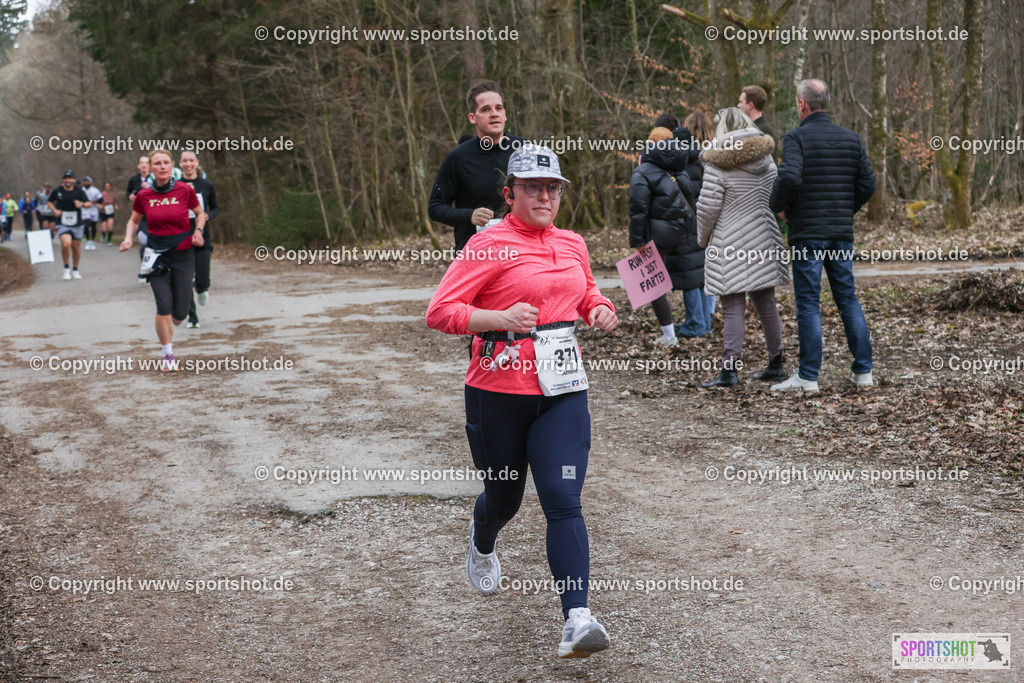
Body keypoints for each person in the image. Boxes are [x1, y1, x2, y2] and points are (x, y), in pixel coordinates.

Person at [426, 146, 617, 659]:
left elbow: (587, 292)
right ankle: (483, 536)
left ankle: (576, 619)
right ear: (510, 193)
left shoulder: (573, 243)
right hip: (497, 392)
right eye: (533, 187)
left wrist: (599, 307)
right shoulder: (488, 245)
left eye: (553, 188)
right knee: (505, 499)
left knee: (562, 498)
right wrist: (499, 319)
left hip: (562, 391)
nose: (545, 196)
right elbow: (440, 312)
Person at [769, 79, 875, 392]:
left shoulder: (797, 138)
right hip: (840, 235)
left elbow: (788, 176)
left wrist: (780, 208)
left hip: (808, 236)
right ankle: (864, 371)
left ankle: (808, 376)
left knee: (808, 302)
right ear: (824, 102)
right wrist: (846, 209)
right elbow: (868, 184)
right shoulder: (850, 138)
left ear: (802, 104)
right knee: (847, 298)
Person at [696, 108, 790, 388]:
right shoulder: (766, 159)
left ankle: (729, 370)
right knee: (766, 303)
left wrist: (702, 239)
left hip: (730, 242)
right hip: (763, 238)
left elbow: (707, 208)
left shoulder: (717, 163)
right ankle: (776, 363)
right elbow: (775, 197)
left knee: (733, 306)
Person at [120, 149, 205, 372]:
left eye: (166, 162)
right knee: (163, 306)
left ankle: (178, 318)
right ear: (151, 167)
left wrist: (198, 231)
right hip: (156, 255)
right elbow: (134, 221)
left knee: (180, 314)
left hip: (183, 253)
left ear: (172, 165)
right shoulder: (143, 195)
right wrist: (129, 238)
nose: (162, 166)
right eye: (157, 163)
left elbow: (200, 213)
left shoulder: (184, 190)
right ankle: (168, 355)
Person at [428, 79, 524, 252]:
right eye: (485, 109)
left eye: (498, 108)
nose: (494, 113)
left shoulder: (525, 150)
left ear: (505, 114)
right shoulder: (458, 157)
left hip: (521, 249)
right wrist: (469, 215)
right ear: (473, 117)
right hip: (475, 253)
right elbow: (435, 208)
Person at [628, 125, 698, 346]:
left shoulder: (643, 171)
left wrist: (638, 240)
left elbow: (638, 209)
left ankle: (669, 336)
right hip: (678, 232)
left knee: (652, 285)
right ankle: (679, 329)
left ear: (650, 144)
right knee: (663, 281)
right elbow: (690, 197)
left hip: (655, 236)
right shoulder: (678, 169)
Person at [179, 150, 219, 328]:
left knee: (201, 280)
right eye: (184, 161)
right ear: (180, 164)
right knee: (185, 279)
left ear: (197, 162)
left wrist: (208, 215)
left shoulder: (206, 185)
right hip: (180, 237)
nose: (188, 164)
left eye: (191, 160)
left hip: (202, 235)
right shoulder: (175, 185)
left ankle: (202, 288)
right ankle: (192, 317)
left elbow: (216, 207)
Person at [47, 171, 92, 280]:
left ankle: (75, 269)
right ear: (63, 180)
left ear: (74, 180)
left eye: (70, 178)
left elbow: (89, 203)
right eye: (65, 178)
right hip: (62, 223)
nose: (67, 180)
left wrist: (81, 204)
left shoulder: (79, 191)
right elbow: (49, 202)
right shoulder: (57, 191)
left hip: (77, 223)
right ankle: (66, 268)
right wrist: (54, 210)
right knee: (66, 244)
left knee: (76, 248)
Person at [738, 85, 778, 150]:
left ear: (750, 105)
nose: (738, 105)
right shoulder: (750, 129)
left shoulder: (763, 132)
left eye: (741, 102)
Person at [127, 155, 152, 259]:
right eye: (142, 163)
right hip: (140, 214)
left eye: (146, 163)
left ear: (149, 165)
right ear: (139, 165)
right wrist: (130, 196)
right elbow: (128, 192)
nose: (144, 165)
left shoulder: (154, 178)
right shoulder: (133, 180)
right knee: (143, 241)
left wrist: (149, 185)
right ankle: (145, 265)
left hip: (154, 212)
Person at [80, 177, 103, 250]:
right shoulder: (81, 190)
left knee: (93, 226)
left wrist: (95, 201)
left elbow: (101, 200)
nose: (86, 183)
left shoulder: (95, 190)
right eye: (85, 181)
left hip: (93, 209)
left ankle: (92, 240)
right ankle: (87, 240)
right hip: (85, 210)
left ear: (90, 182)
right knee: (86, 225)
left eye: (87, 181)